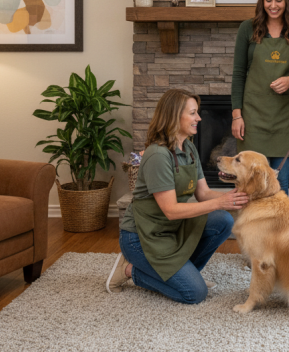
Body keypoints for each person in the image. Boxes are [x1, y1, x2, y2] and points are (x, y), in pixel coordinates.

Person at [106, 89, 249, 303]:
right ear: (174, 116)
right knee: (195, 293)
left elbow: (203, 194)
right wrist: (220, 203)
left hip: (172, 230)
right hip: (142, 238)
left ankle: (184, 273)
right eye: (193, 113)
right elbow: (171, 211)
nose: (199, 118)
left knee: (223, 220)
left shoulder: (189, 147)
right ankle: (129, 270)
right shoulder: (158, 155)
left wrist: (232, 197)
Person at [231, 0, 289, 194]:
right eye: (268, 0)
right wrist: (237, 116)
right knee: (250, 184)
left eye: (279, 0)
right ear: (262, 0)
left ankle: (278, 228)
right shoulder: (247, 29)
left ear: (287, 1)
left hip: (286, 119)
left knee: (279, 184)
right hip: (253, 119)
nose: (273, 6)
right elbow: (238, 74)